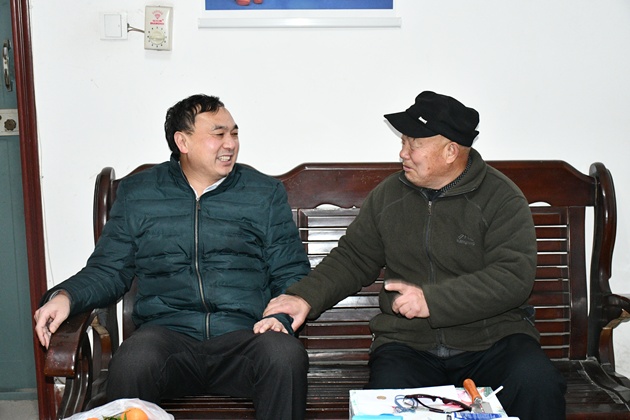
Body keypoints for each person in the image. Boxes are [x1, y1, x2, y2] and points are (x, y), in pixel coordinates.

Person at [260, 91, 567, 419]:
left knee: (537, 382)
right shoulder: (388, 196)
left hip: (493, 341)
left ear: (450, 151)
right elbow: (353, 258)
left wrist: (432, 301)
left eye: (414, 144)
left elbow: (513, 277)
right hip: (409, 345)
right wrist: (304, 298)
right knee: (385, 400)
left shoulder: (501, 198)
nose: (402, 153)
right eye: (403, 142)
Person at [34, 94, 311, 420]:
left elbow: (290, 270)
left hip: (244, 336)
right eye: (218, 134)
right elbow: (109, 269)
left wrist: (281, 318)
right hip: (167, 339)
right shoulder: (140, 194)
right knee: (132, 361)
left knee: (284, 355)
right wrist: (66, 296)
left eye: (234, 133)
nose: (230, 144)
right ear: (183, 141)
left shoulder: (262, 193)